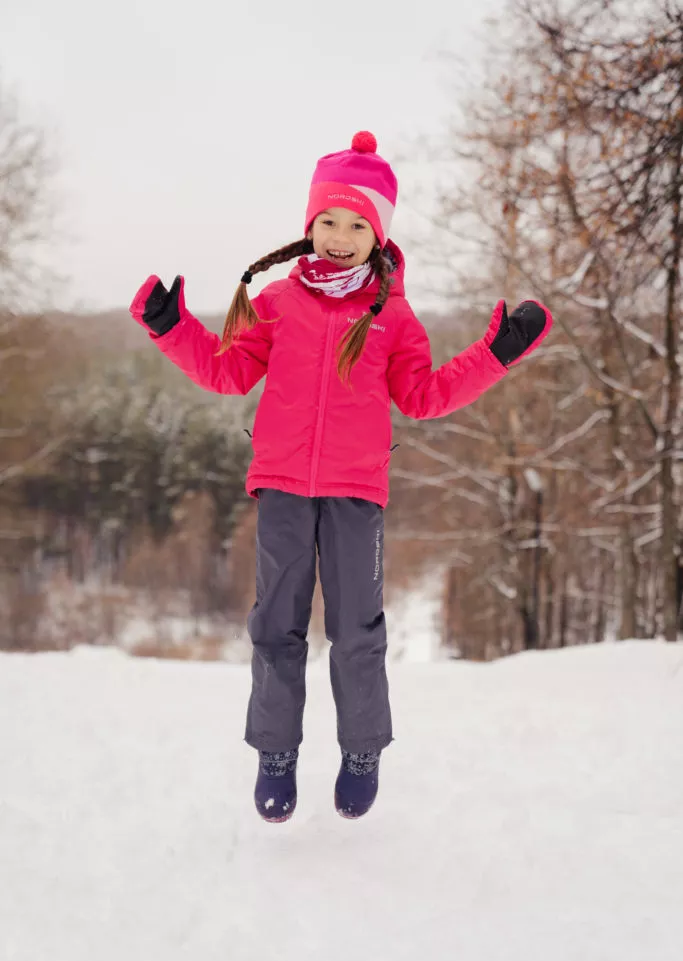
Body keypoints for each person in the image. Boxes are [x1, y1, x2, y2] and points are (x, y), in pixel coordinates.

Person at [129, 131, 552, 824]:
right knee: (276, 627)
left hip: (357, 493)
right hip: (283, 487)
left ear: (377, 235)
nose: (339, 234)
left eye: (357, 223)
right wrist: (171, 326)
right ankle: (276, 751)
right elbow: (228, 371)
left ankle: (361, 750)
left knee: (357, 631)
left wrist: (494, 354)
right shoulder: (276, 303)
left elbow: (425, 396)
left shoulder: (392, 316)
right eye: (328, 219)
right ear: (308, 224)